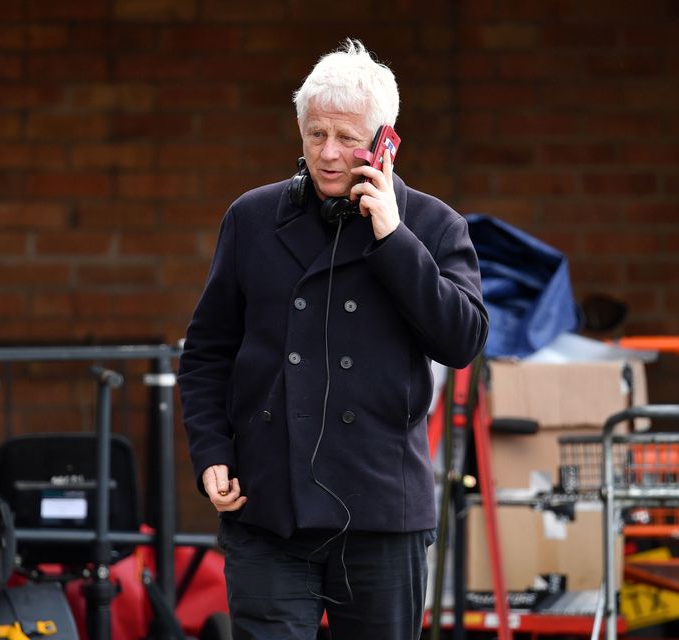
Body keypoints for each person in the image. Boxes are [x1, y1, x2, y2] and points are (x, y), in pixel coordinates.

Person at [177, 38, 488, 640]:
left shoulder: (432, 225)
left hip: (381, 510)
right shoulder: (252, 218)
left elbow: (462, 340)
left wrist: (394, 240)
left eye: (347, 139)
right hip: (268, 507)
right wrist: (212, 452)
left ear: (383, 141)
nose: (327, 153)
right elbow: (207, 351)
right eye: (315, 134)